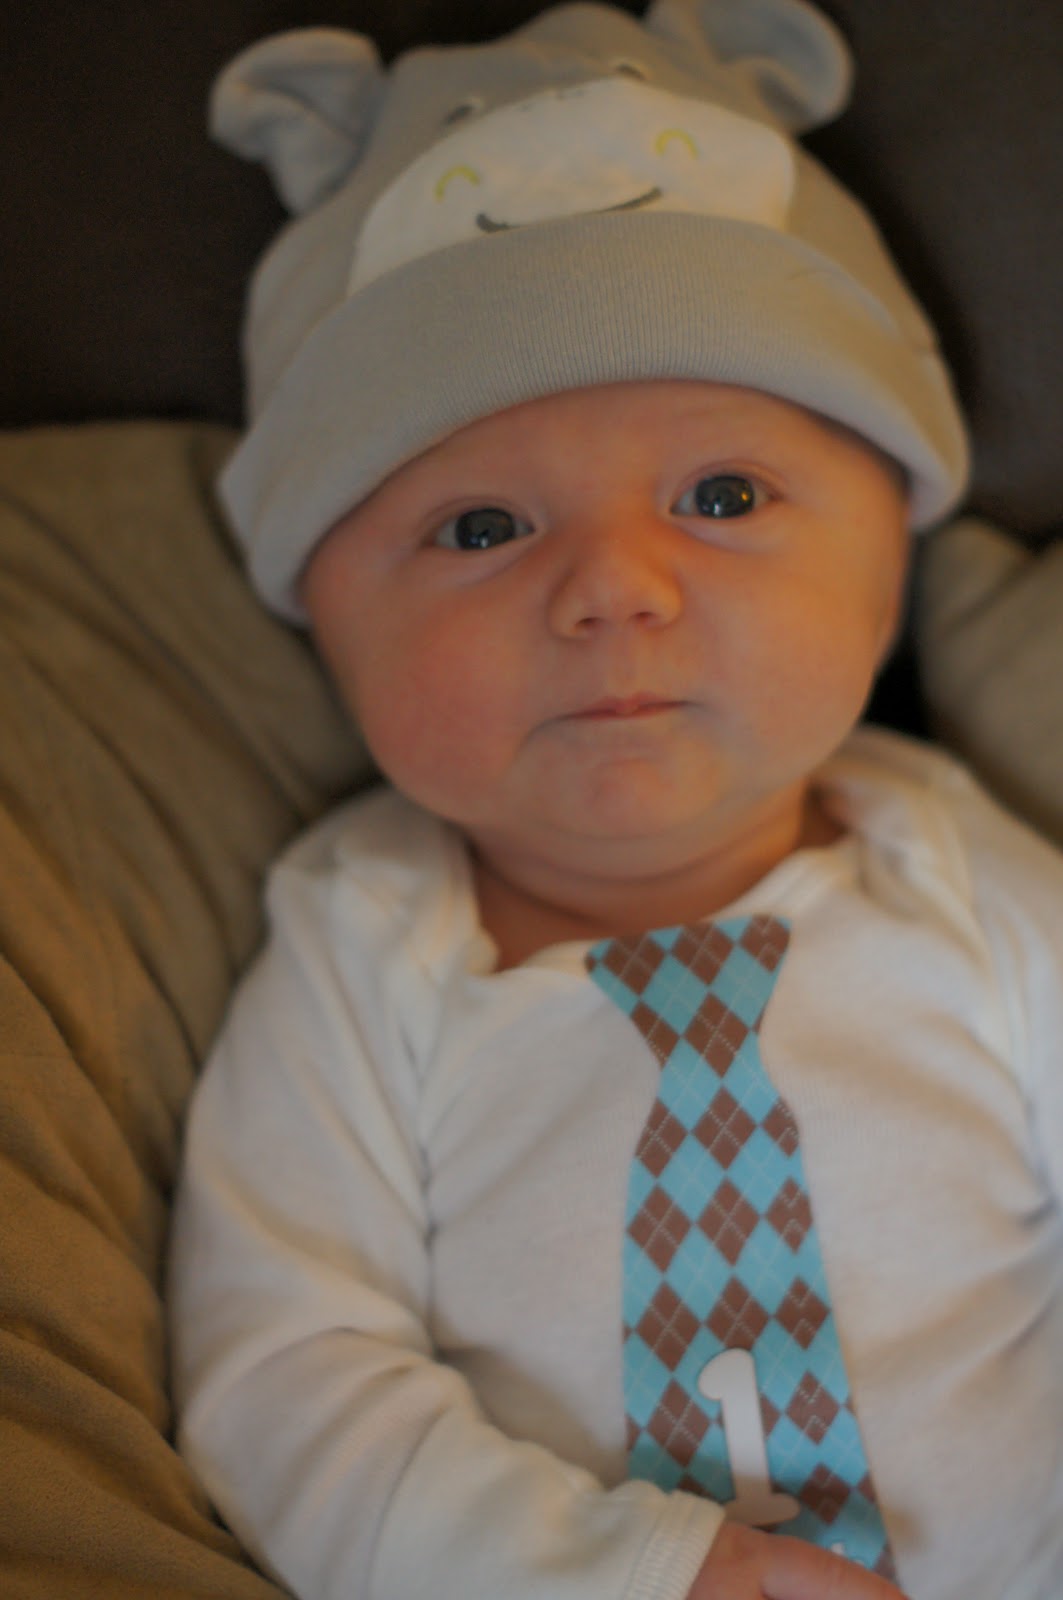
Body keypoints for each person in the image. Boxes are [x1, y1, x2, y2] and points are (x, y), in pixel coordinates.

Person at [168, 3, 1063, 1598]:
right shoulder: (360, 937)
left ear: (889, 564)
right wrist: (617, 1571)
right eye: (480, 527)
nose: (613, 589)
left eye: (721, 496)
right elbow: (287, 1373)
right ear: (325, 620)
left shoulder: (959, 872)